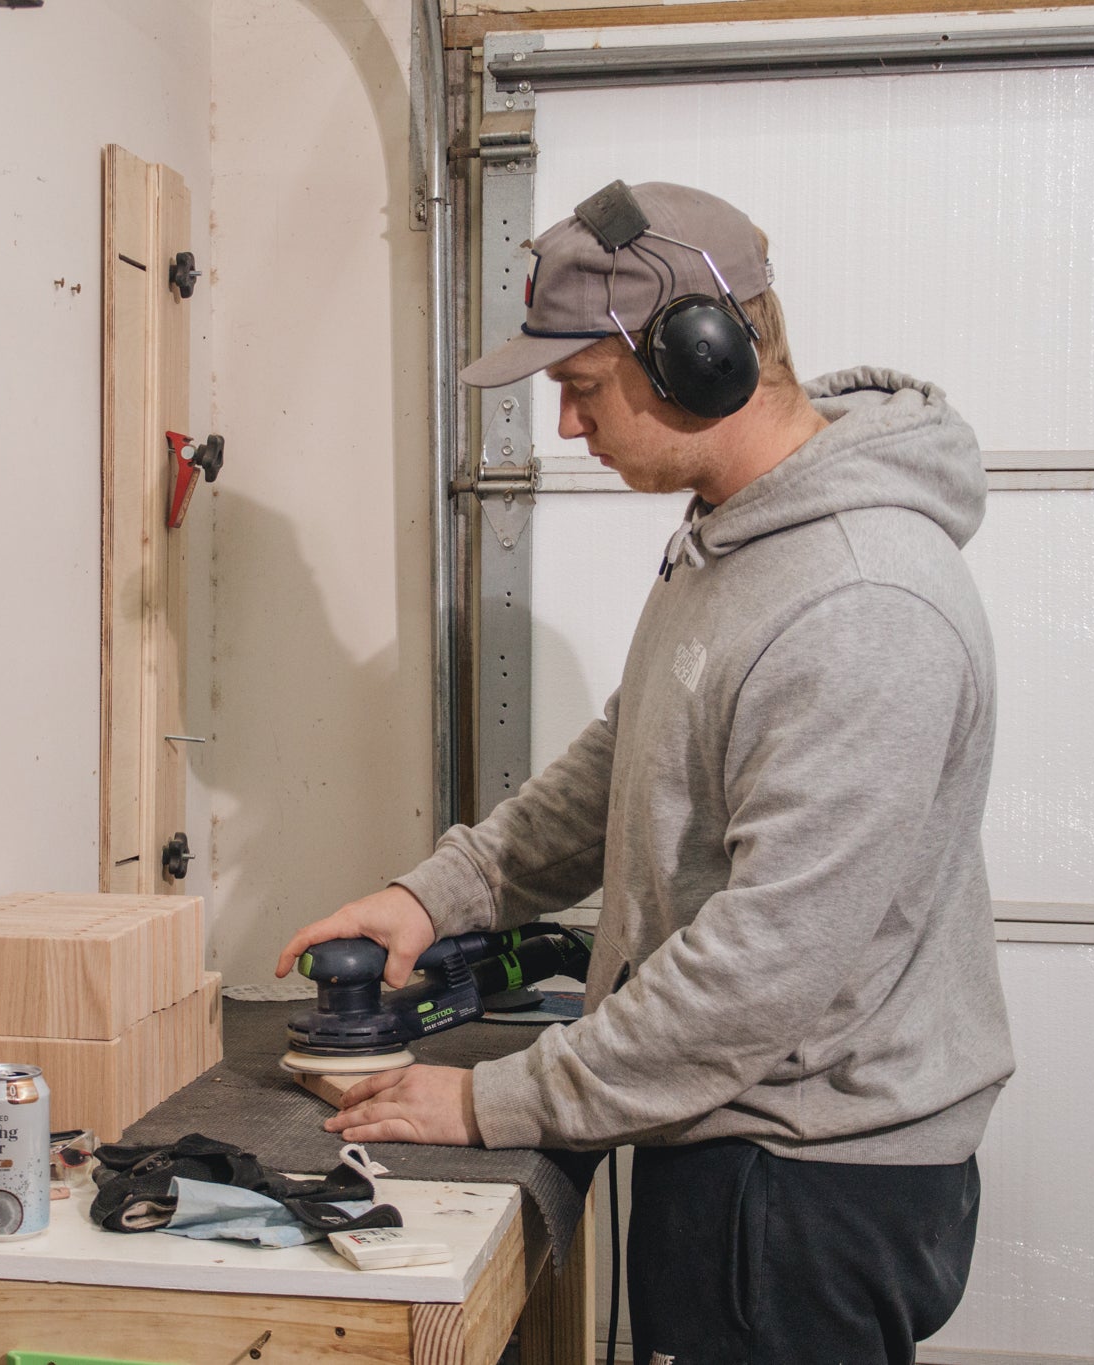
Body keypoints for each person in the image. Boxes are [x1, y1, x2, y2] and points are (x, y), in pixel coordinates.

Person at [274, 181, 1015, 1364]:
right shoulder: (734, 544)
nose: (565, 429)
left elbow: (761, 970)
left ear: (696, 358)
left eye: (576, 387)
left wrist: (487, 1102)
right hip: (738, 1146)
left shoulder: (859, 601)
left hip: (802, 1181)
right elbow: (627, 759)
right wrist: (437, 895)